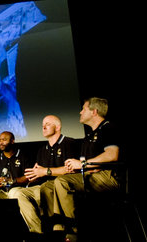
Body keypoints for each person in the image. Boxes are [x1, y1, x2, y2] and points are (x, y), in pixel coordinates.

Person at [52, 97, 120, 239]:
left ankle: (74, 229)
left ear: (94, 112)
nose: (80, 112)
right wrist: (75, 167)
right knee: (49, 186)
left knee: (62, 182)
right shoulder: (89, 136)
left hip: (110, 177)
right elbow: (88, 163)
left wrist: (83, 164)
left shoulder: (108, 128)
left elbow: (112, 154)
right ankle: (59, 228)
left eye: (83, 108)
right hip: (93, 176)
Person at [13, 115, 77, 235]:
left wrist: (44, 171)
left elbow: (71, 170)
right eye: (42, 124)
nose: (43, 126)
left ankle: (61, 229)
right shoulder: (42, 150)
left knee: (47, 189)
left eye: (47, 124)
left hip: (62, 187)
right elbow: (40, 172)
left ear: (57, 127)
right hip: (44, 186)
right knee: (19, 193)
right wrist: (35, 175)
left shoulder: (70, 143)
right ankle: (37, 232)